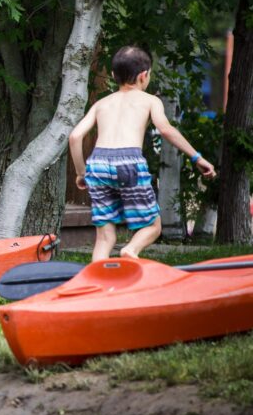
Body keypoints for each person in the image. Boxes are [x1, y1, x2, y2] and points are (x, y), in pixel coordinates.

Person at [69, 46, 216, 262]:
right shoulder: (150, 100)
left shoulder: (101, 104)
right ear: (144, 75)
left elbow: (75, 137)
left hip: (98, 163)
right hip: (129, 161)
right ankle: (131, 250)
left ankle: (97, 279)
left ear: (113, 75)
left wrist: (81, 173)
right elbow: (166, 130)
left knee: (104, 237)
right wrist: (197, 157)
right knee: (153, 227)